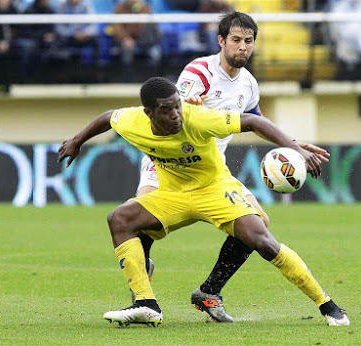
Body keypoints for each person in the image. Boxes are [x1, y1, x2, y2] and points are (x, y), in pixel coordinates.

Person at [58, 76, 350, 327]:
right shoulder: (132, 121)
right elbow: (108, 116)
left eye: (177, 105)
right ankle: (146, 304)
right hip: (172, 195)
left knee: (261, 238)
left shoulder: (197, 118)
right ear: (148, 112)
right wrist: (77, 140)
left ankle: (327, 304)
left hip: (214, 190)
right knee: (119, 219)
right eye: (166, 110)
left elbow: (250, 121)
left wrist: (295, 147)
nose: (176, 114)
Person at [135, 12, 330, 323]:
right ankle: (141, 294)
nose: (243, 47)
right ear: (221, 41)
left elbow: (257, 122)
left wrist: (292, 144)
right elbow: (174, 107)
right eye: (236, 40)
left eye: (248, 41)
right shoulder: (199, 72)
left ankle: (210, 291)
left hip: (211, 172)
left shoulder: (249, 84)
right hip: (169, 163)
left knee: (259, 223)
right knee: (142, 220)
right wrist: (189, 104)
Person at [112, 0, 162, 81]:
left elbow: (147, 27)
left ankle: (155, 81)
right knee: (127, 52)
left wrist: (137, 9)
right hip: (127, 40)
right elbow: (117, 26)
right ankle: (128, 80)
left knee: (156, 53)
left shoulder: (144, 7)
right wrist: (125, 38)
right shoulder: (119, 7)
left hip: (145, 41)